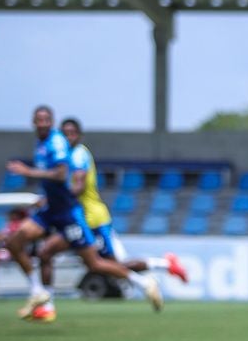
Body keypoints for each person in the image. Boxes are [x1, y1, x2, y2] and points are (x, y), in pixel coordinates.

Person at [4, 105, 164, 320]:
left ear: (52, 122)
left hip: (72, 214)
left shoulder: (61, 145)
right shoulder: (42, 144)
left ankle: (145, 281)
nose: (42, 123)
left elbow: (62, 176)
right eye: (38, 119)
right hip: (53, 210)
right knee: (17, 243)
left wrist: (28, 171)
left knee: (95, 263)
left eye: (45, 119)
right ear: (33, 122)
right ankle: (40, 296)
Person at [30, 117, 189, 321]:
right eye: (64, 134)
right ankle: (47, 305)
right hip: (75, 219)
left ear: (79, 136)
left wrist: (49, 201)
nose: (68, 137)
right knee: (47, 252)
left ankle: (164, 265)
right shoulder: (63, 157)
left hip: (92, 220)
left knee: (115, 266)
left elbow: (77, 188)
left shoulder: (78, 155)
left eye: (72, 133)